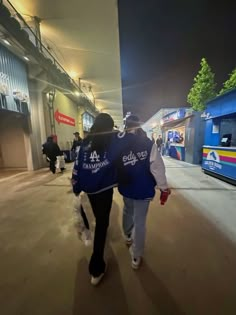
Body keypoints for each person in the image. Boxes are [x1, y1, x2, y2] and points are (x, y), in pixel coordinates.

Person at [115, 115, 170, 269]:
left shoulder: (119, 143)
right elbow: (157, 168)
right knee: (139, 222)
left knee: (127, 210)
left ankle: (126, 235)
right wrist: (163, 187)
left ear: (125, 126)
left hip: (126, 187)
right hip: (143, 188)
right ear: (138, 125)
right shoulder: (147, 143)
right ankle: (136, 257)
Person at [72, 113, 117, 286]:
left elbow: (77, 166)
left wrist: (76, 186)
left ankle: (96, 244)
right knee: (102, 224)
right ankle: (96, 268)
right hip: (104, 190)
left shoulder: (84, 143)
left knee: (98, 221)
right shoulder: (111, 142)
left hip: (89, 190)